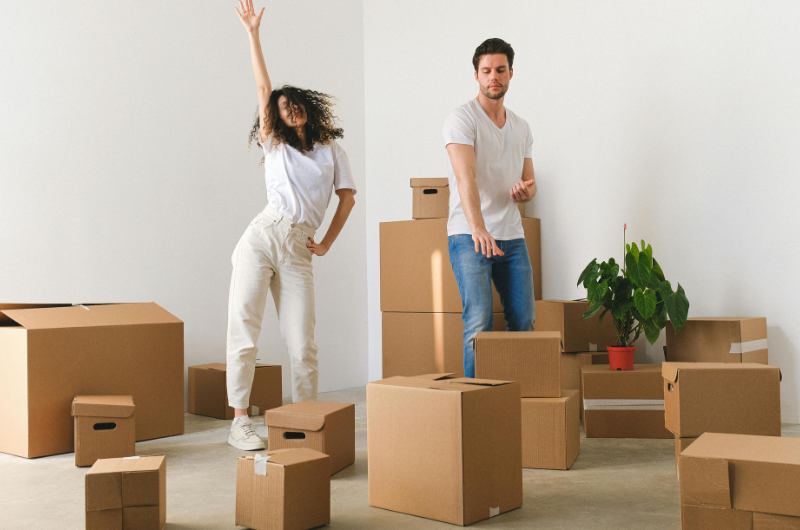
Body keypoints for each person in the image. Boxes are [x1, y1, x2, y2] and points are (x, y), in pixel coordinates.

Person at [226, 0, 357, 450]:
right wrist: (253, 34)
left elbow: (348, 199)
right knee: (245, 327)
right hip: (263, 236)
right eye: (282, 107)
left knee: (302, 344)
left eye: (294, 102)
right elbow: (263, 86)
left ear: (306, 108)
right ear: (276, 117)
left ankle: (305, 423)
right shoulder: (275, 145)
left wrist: (326, 242)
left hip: (300, 246)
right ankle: (241, 420)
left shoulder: (331, 151)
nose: (288, 108)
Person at [443, 38, 537, 378]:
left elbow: (530, 182)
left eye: (500, 70)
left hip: (511, 235)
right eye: (486, 71)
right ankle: (476, 405)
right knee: (479, 321)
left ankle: (515, 397)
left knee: (524, 320)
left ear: (511, 73)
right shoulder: (461, 119)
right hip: (469, 235)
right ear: (476, 75)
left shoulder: (521, 127)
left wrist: (524, 193)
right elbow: (465, 176)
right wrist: (478, 227)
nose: (493, 77)